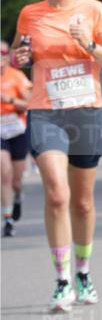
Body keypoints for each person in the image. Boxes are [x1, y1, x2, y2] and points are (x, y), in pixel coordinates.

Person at [10, 0, 102, 312]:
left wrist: (87, 43)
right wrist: (20, 58)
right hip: (46, 112)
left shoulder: (93, 10)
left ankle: (83, 273)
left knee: (83, 202)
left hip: (86, 113)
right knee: (57, 195)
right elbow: (17, 56)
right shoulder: (30, 13)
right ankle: (61, 281)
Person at [1, 41, 32, 236]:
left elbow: (30, 103)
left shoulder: (17, 76)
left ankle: (18, 196)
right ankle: (8, 219)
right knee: (4, 173)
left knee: (16, 181)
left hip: (18, 130)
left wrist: (10, 100)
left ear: (7, 57)